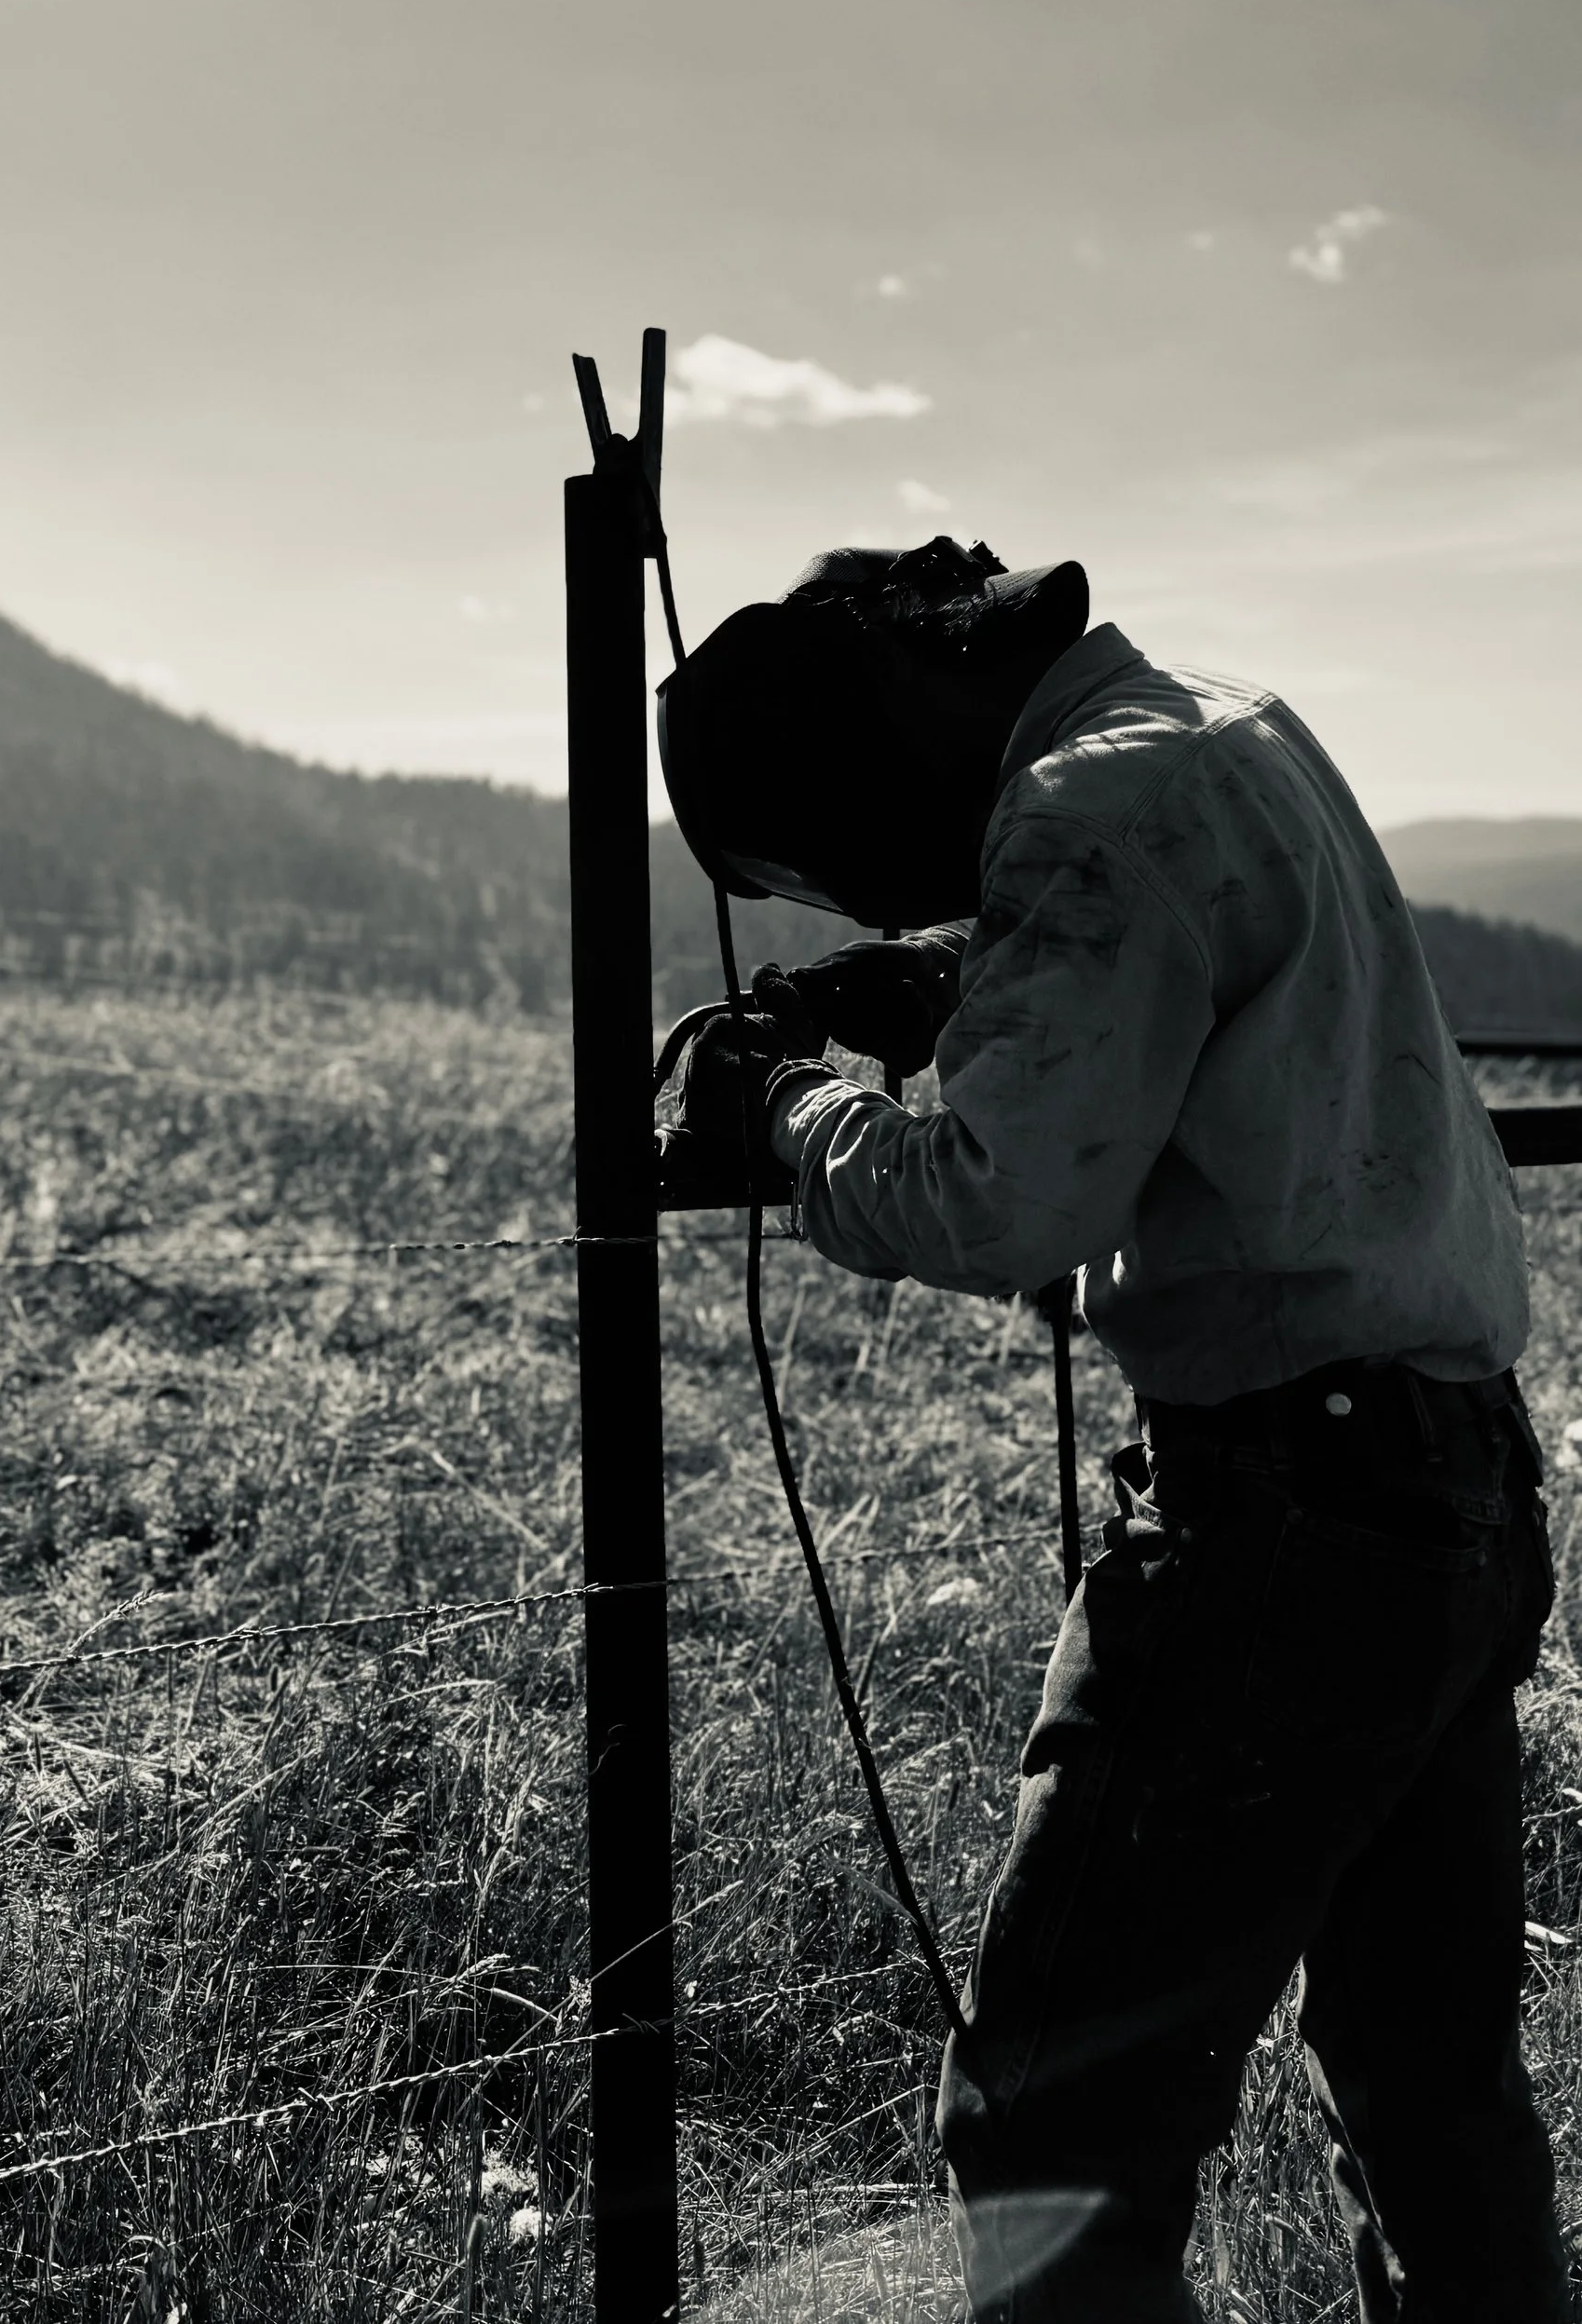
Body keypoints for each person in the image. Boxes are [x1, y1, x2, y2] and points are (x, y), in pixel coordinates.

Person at [656, 537, 1566, 2324]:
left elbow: (1000, 1200)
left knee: (1052, 2121)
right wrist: (953, 973)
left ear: (890, 724)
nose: (878, 884)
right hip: (1449, 1475)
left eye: (851, 850)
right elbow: (1179, 975)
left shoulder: (1090, 807)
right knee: (1431, 2084)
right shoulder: (1217, 724)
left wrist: (788, 1110)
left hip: (1288, 1512)